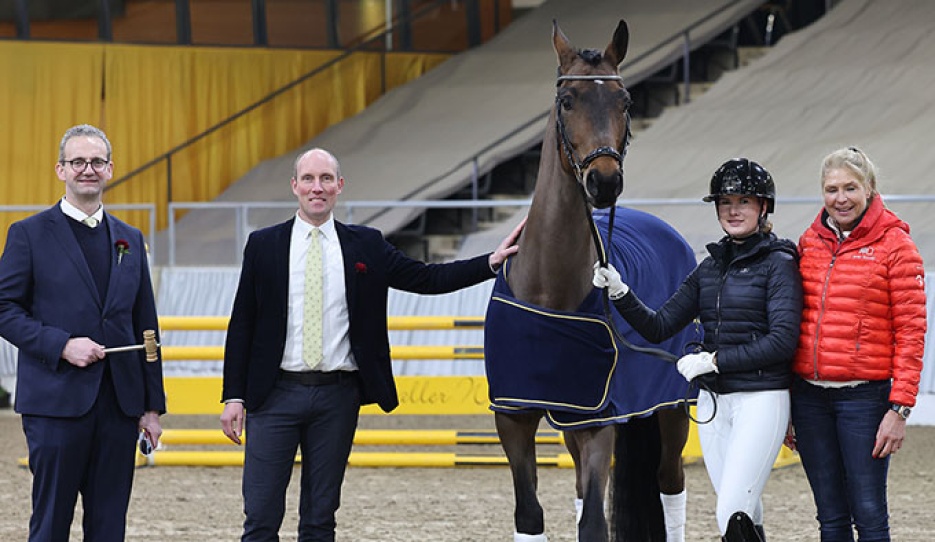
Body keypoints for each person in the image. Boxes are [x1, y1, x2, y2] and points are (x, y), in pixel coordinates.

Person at [219, 147, 522, 541]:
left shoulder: (367, 245)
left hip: (336, 399)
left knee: (320, 519)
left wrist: (490, 262)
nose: (317, 187)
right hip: (272, 396)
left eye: (326, 179)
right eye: (308, 179)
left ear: (339, 186)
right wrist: (233, 396)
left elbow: (426, 279)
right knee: (259, 518)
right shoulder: (263, 245)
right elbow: (242, 322)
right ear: (294, 186)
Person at [593, 158, 803, 542]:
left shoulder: (779, 264)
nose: (733, 210)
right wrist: (620, 291)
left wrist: (714, 360)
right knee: (745, 507)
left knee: (731, 512)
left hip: (760, 398)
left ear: (763, 207)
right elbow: (658, 326)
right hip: (713, 404)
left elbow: (782, 341)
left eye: (743, 201)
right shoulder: (710, 267)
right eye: (725, 202)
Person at [0, 124, 165, 541]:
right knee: (51, 522)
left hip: (119, 407)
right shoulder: (28, 234)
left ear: (110, 169)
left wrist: (151, 406)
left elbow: (146, 326)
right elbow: (4, 308)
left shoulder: (131, 238)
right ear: (61, 169)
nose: (87, 169)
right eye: (78, 161)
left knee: (109, 527)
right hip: (55, 405)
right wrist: (61, 345)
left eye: (96, 161)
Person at [786, 147, 926, 541]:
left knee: (868, 515)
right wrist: (787, 404)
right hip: (809, 400)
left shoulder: (896, 246)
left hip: (865, 402)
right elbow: (794, 322)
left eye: (851, 187)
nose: (840, 198)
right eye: (831, 189)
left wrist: (899, 409)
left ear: (870, 189)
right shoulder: (809, 244)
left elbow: (912, 333)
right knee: (829, 517)